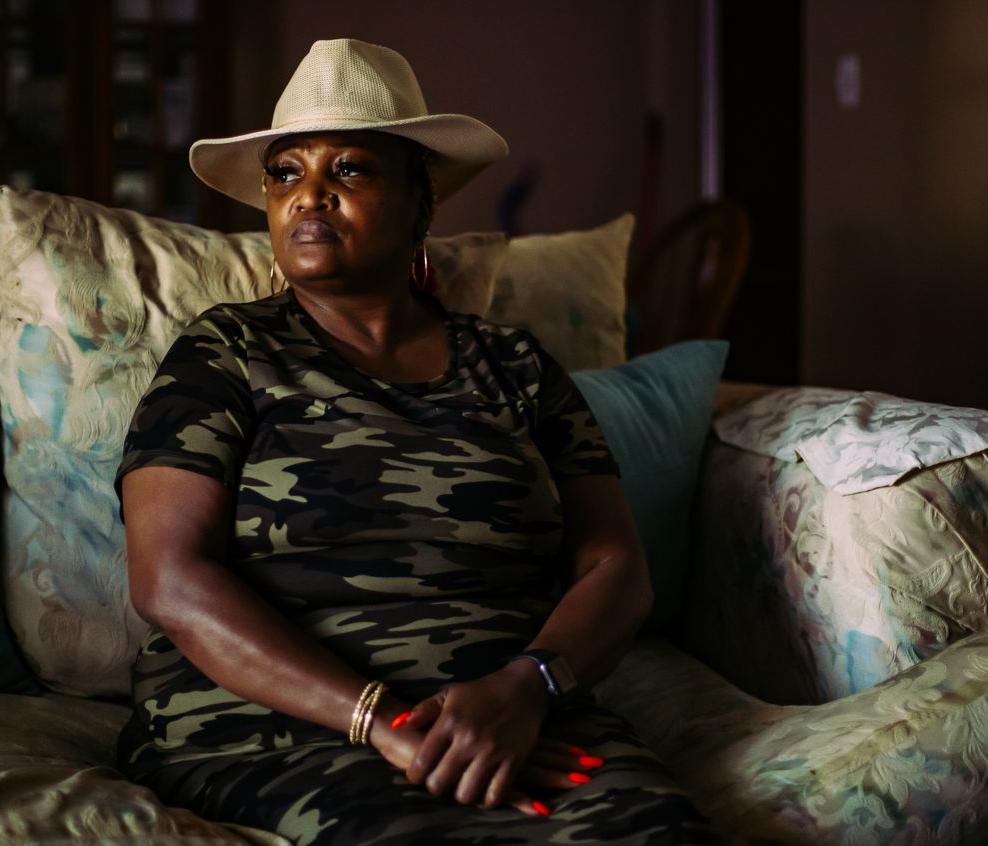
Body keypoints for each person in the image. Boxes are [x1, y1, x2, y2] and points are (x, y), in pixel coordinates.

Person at [116, 38, 715, 845]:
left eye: (350, 170)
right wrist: (381, 719)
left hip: (508, 716)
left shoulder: (515, 366)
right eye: (286, 172)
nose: (310, 196)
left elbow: (617, 568)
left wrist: (528, 685)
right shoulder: (226, 353)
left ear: (420, 203)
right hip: (277, 725)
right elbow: (169, 581)